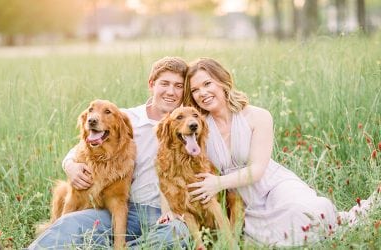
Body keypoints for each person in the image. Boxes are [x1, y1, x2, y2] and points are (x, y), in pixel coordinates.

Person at [183, 57, 380, 247]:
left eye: (207, 84)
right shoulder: (198, 127)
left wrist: (218, 183)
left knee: (304, 212)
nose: (202, 93)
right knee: (270, 238)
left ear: (223, 81)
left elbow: (258, 169)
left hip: (272, 186)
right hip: (241, 202)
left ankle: (354, 214)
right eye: (195, 90)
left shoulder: (257, 116)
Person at [28, 56, 190, 249]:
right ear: (152, 84)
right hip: (128, 211)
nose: (171, 91)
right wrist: (70, 166)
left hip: (167, 215)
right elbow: (80, 147)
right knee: (70, 223)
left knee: (175, 235)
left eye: (178, 86)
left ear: (184, 90)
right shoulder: (125, 118)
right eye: (165, 83)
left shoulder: (192, 125)